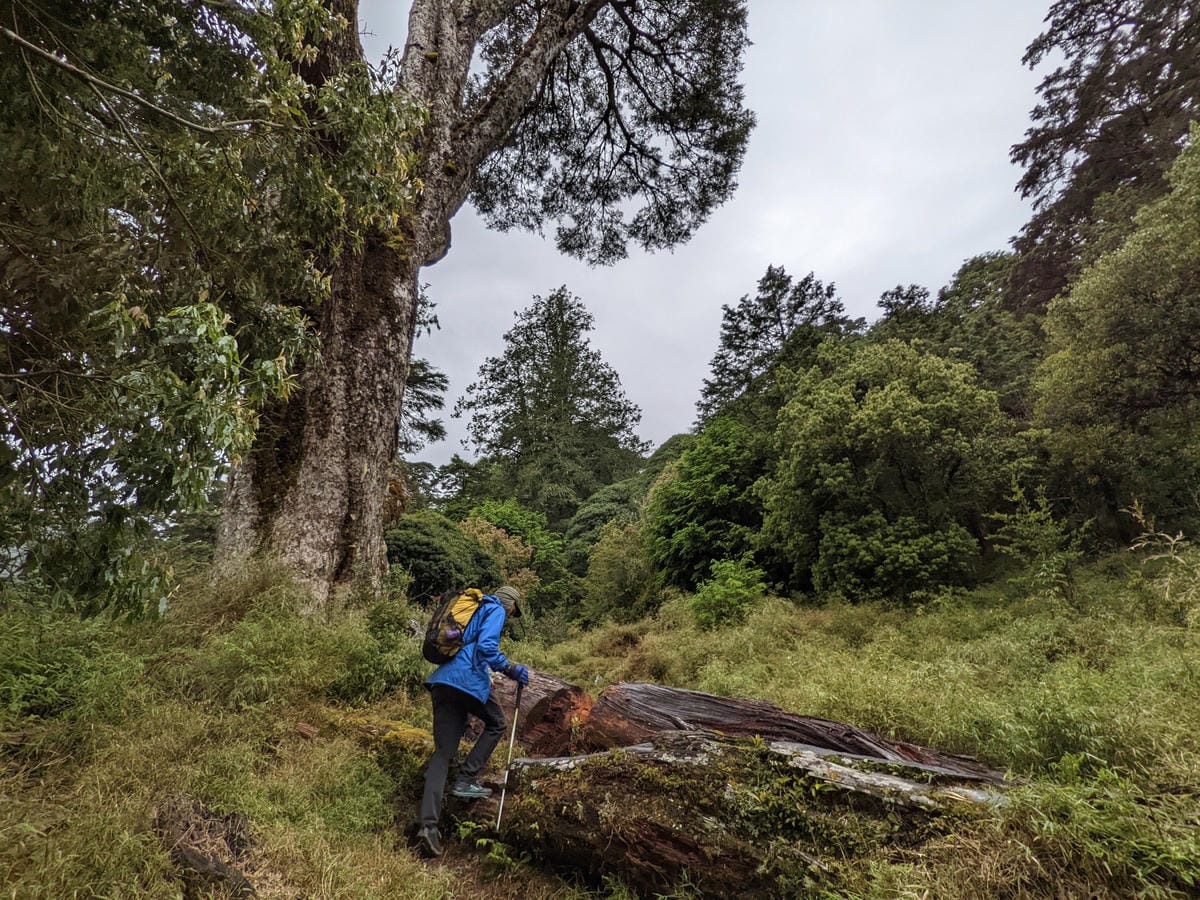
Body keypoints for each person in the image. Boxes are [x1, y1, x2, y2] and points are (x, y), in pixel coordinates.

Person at [416, 585, 530, 858]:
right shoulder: (495, 609)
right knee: (496, 723)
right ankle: (466, 780)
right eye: (513, 610)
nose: (512, 614)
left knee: (443, 755)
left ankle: (427, 827)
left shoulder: (473, 610)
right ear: (510, 605)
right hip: (467, 680)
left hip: (443, 681)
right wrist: (511, 668)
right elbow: (488, 647)